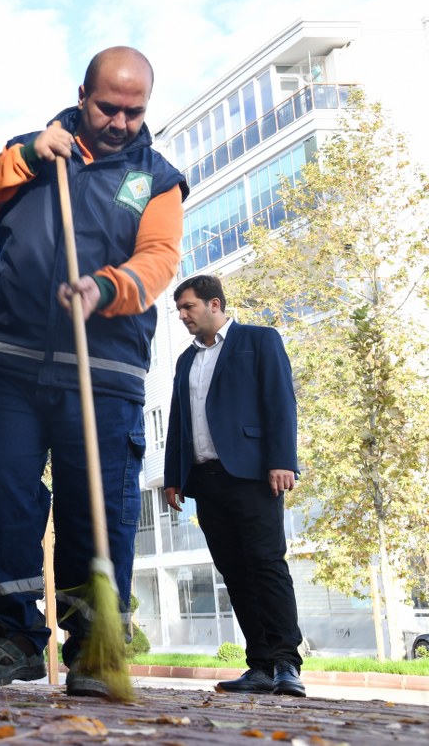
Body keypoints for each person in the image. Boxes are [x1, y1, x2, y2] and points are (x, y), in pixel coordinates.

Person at [0, 46, 187, 697]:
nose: (120, 121)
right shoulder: (32, 151)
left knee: (97, 507)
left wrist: (105, 290)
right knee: (6, 487)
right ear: (82, 95)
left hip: (104, 364)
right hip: (10, 358)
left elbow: (161, 258)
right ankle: (16, 638)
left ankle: (94, 649)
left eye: (134, 111)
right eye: (108, 106)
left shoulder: (158, 179)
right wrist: (24, 158)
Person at [164, 275, 305, 697]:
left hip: (252, 475)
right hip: (206, 481)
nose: (183, 316)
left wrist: (282, 461)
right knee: (235, 573)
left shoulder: (259, 340)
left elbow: (281, 402)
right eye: (179, 310)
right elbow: (179, 421)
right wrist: (174, 476)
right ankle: (259, 666)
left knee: (266, 565)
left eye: (188, 307)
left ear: (214, 303)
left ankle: (286, 663)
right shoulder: (185, 361)